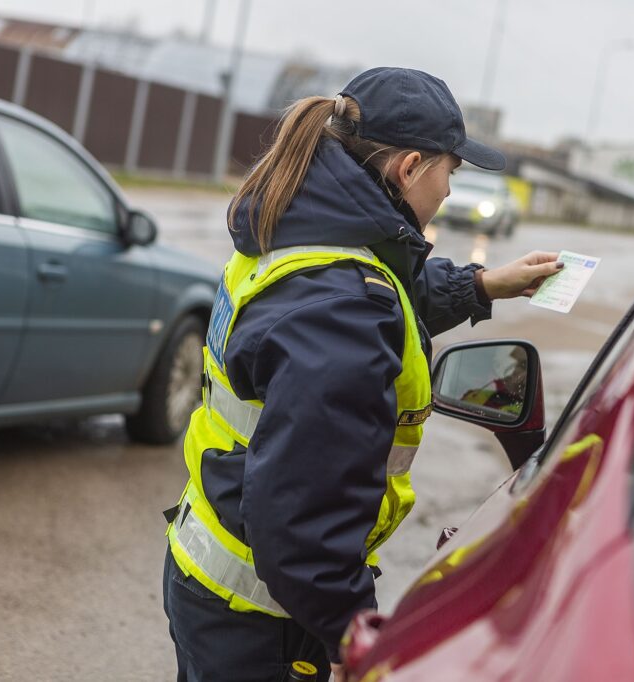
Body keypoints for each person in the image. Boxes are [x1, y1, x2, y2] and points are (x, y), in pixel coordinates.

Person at [161, 67, 562, 682]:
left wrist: (482, 285)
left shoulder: (304, 219)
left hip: (211, 576)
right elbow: (303, 524)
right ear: (410, 168)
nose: (448, 192)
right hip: (265, 626)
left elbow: (379, 287)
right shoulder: (344, 311)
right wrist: (355, 638)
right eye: (450, 172)